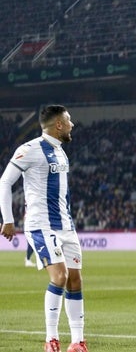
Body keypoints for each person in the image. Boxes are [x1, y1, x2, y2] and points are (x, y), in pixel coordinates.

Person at [0, 105, 88, 352]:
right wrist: (8, 219)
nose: (72, 124)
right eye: (68, 120)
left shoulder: (61, 152)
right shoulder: (30, 149)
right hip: (41, 225)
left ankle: (78, 342)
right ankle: (51, 339)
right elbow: (5, 182)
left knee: (75, 280)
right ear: (58, 124)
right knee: (59, 277)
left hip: (66, 225)